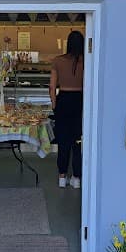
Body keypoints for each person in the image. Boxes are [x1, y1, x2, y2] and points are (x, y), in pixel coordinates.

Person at [49, 30, 84, 189]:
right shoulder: (87, 61)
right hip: (80, 101)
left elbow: (52, 87)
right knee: (78, 141)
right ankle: (77, 178)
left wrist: (55, 106)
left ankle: (62, 176)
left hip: (63, 100)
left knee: (63, 141)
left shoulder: (57, 61)